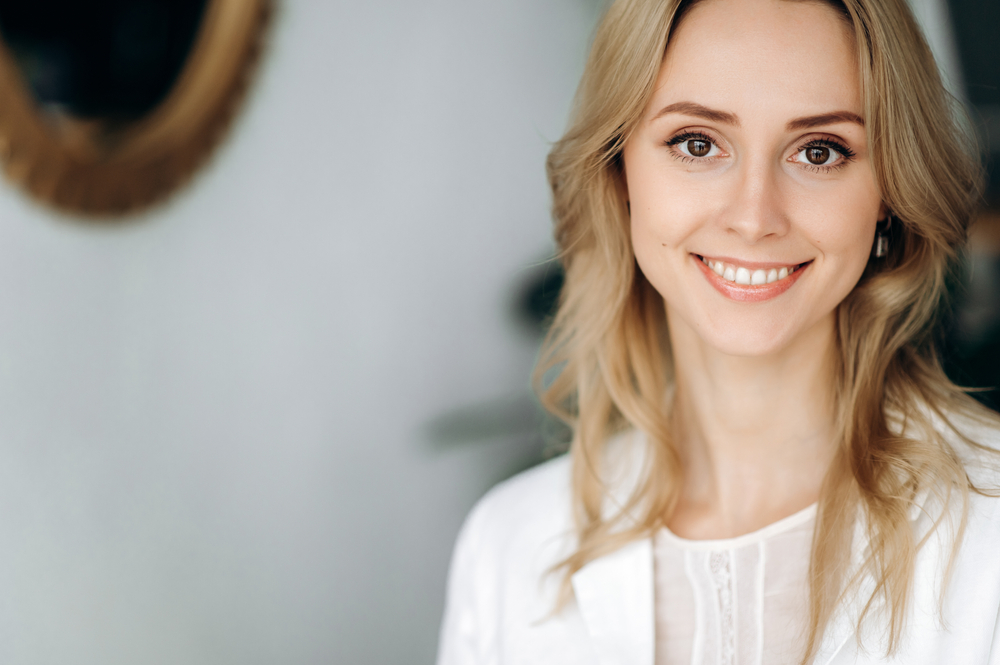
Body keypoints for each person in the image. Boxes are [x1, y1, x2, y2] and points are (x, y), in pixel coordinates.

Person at [437, 0, 1000, 662]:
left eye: (819, 151)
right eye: (698, 144)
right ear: (620, 173)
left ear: (887, 198)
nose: (754, 215)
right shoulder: (508, 546)